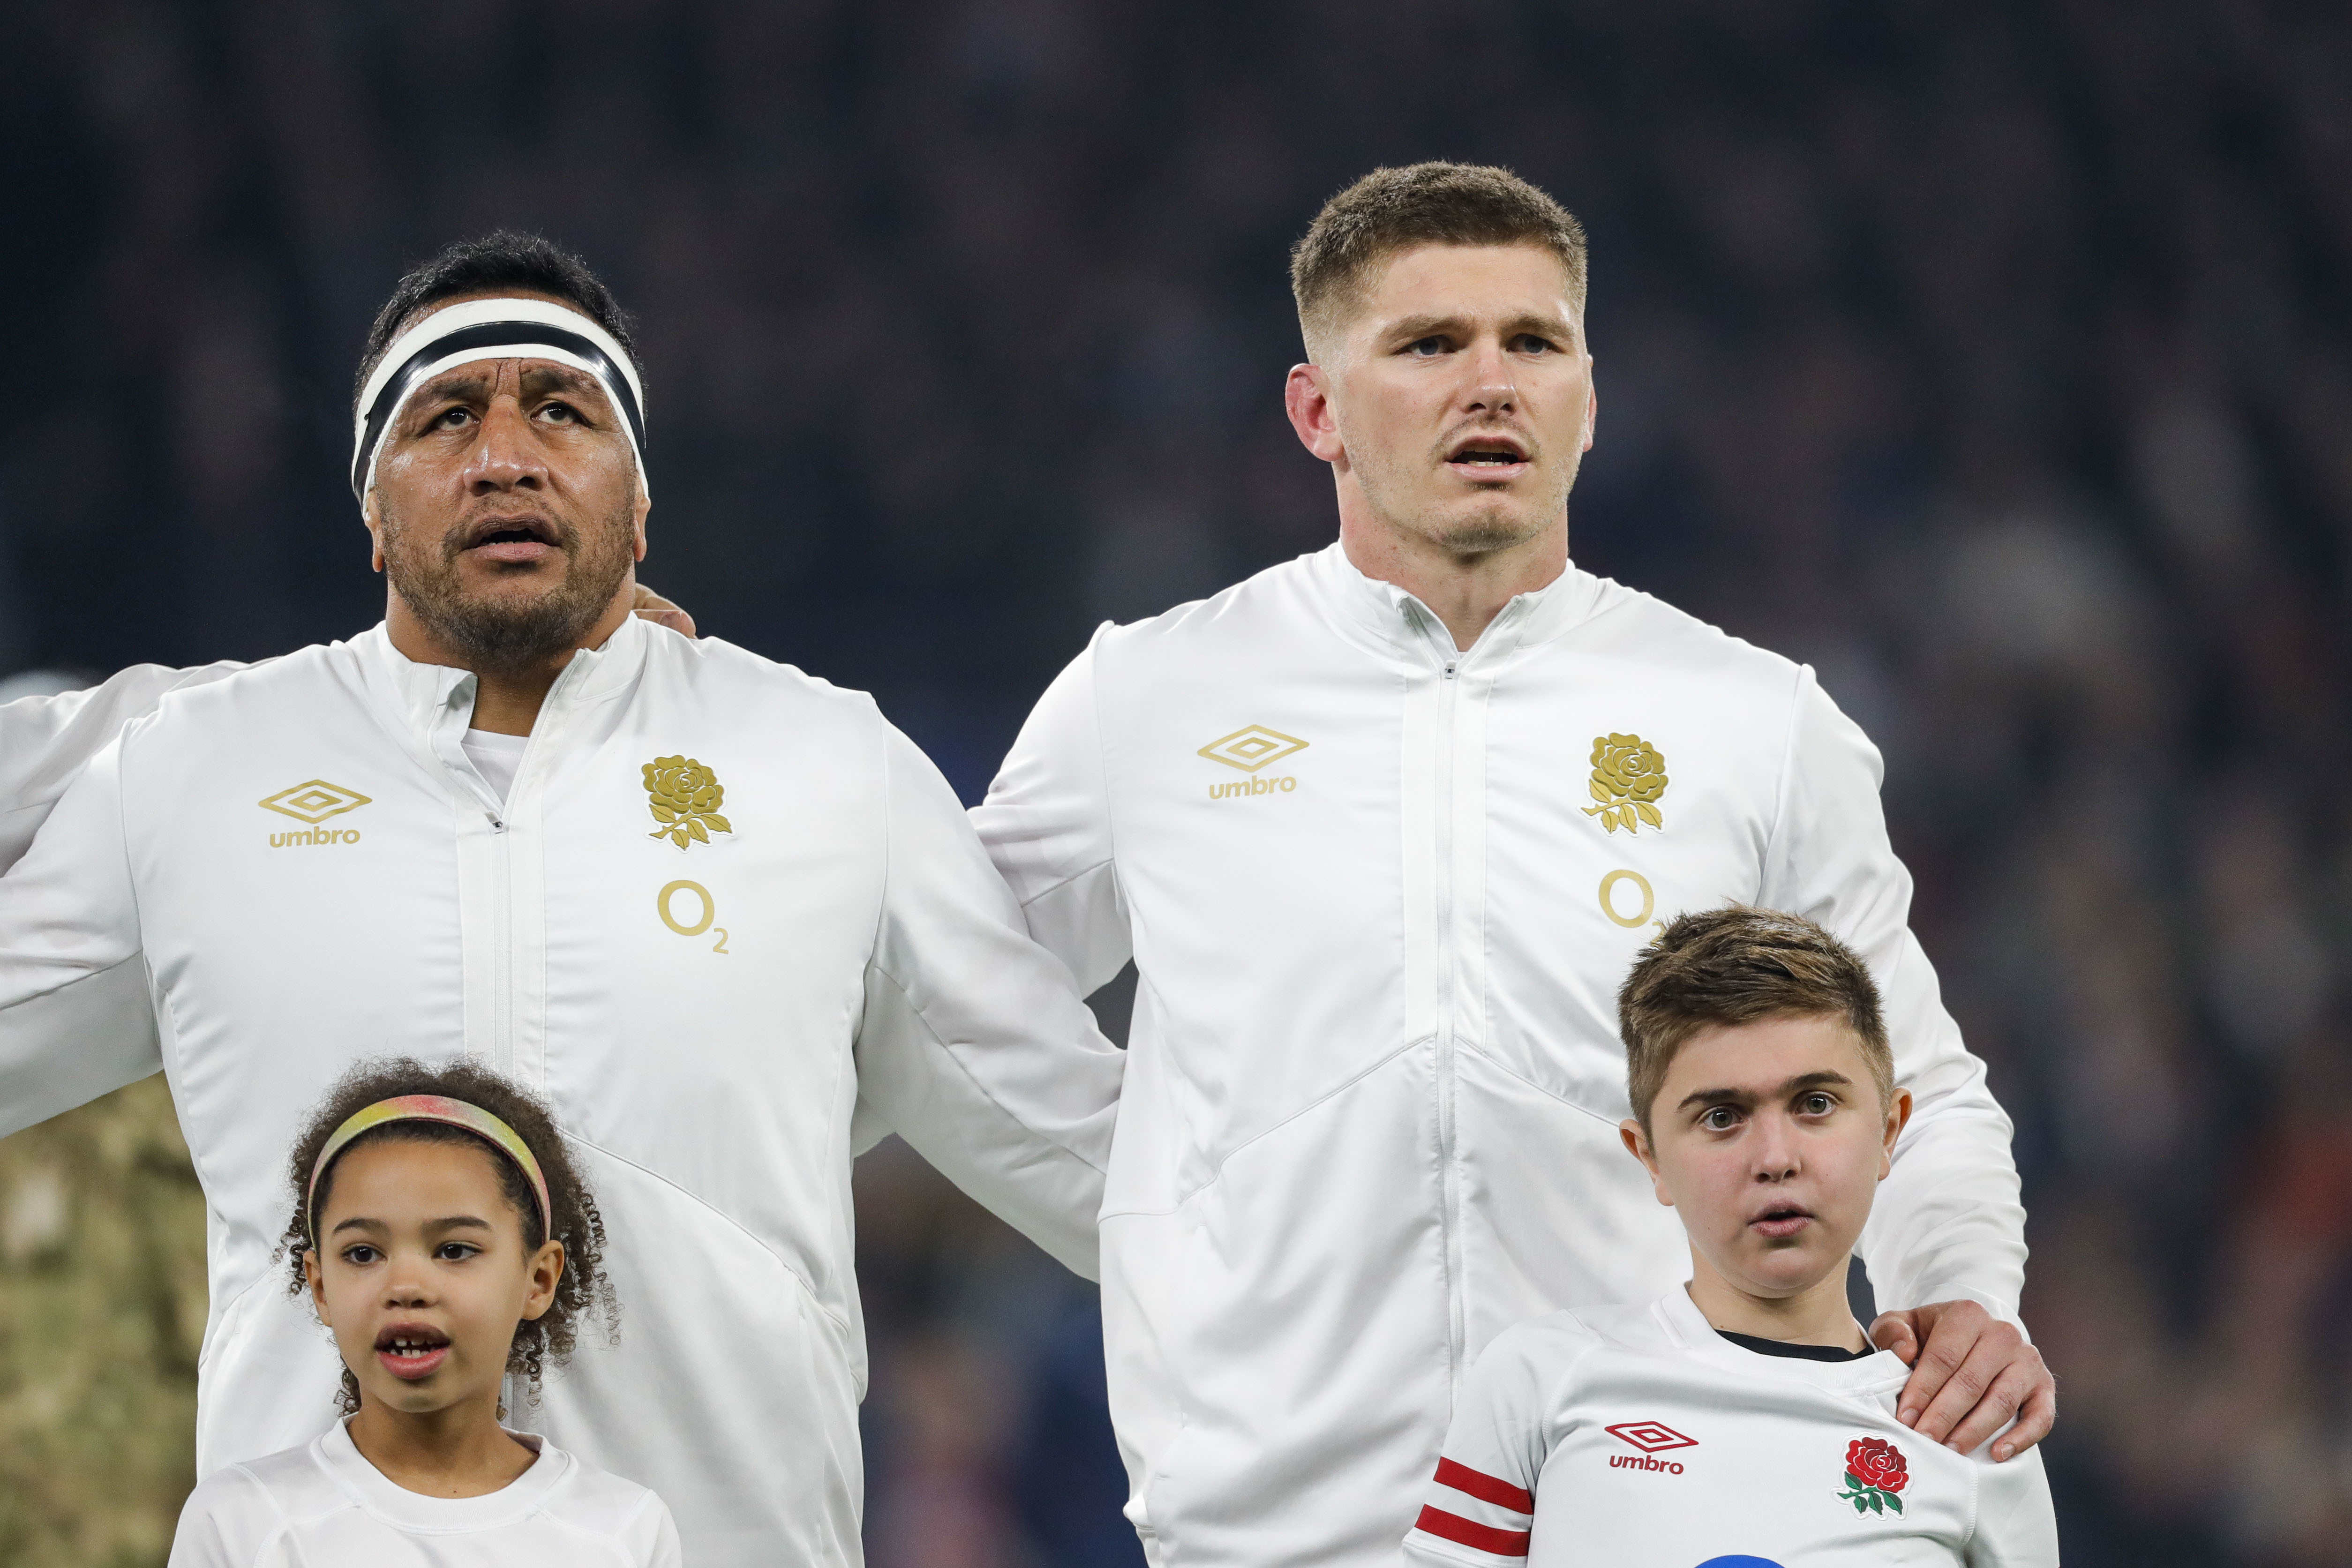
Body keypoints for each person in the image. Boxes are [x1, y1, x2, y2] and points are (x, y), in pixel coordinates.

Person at [972, 162, 2055, 1568]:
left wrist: (1962, 1287)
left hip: (1651, 1516)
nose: (1490, 382)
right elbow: (933, 994)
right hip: (1266, 1528)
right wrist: (1150, 1208)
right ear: (1318, 413)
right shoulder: (1150, 698)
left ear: (1586, 403)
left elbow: (1918, 1081)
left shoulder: (1750, 721)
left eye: (1532, 343)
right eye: (1428, 345)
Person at [0, 231, 1126, 1567]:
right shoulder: (198, 775)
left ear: (641, 506)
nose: (505, 455)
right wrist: (225, 716)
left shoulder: (827, 768)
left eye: (562, 410)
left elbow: (1118, 1177)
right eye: (445, 417)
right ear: (372, 512)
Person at [1402, 907, 2056, 1568]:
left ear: (1890, 1131)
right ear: (1648, 1154)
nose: (1775, 1157)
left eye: (1815, 1104)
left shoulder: (1974, 1431)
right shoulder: (1540, 1379)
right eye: (1722, 1117)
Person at [171, 1059, 684, 1567]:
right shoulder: (240, 1522)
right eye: (363, 1254)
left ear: (539, 1279)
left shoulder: (623, 1532)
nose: (406, 1288)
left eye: (455, 1250)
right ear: (320, 1285)